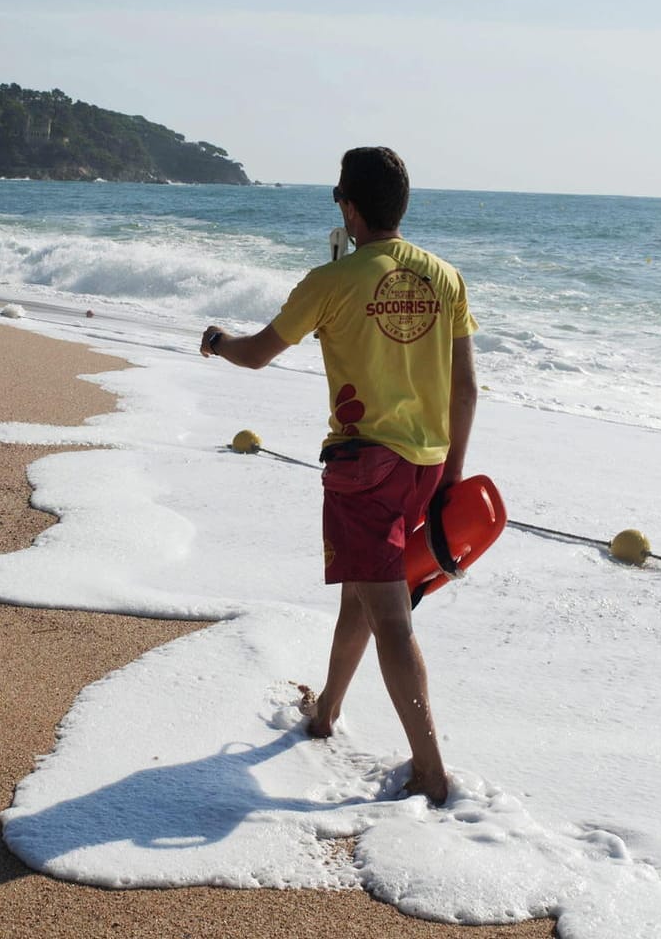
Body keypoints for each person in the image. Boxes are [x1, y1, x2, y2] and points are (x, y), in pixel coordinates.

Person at [200, 146, 477, 806]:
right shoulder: (446, 277)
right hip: (426, 465)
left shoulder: (331, 281)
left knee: (391, 616)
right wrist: (450, 478)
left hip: (364, 469)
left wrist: (217, 341)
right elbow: (465, 388)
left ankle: (431, 771)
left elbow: (259, 354)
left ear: (349, 208)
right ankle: (326, 712)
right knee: (362, 588)